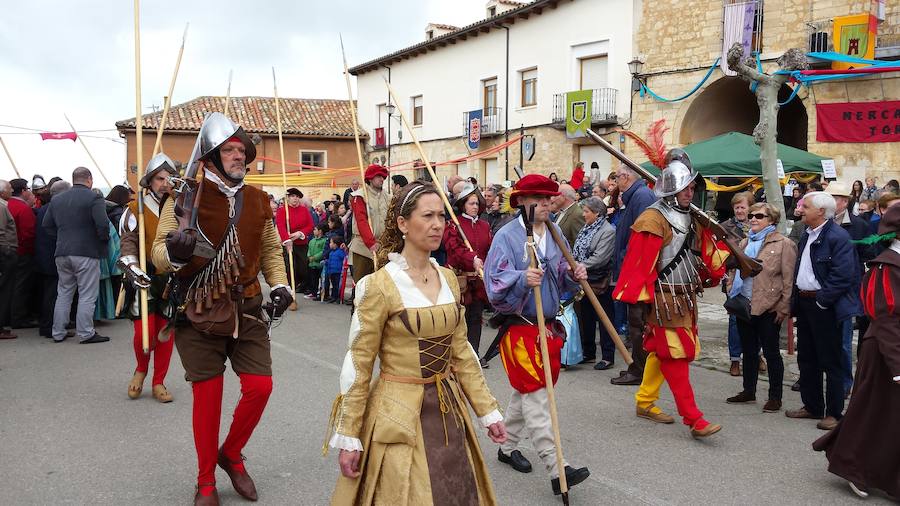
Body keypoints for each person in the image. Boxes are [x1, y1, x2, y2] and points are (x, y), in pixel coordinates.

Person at [327, 181, 506, 505]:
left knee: (455, 490)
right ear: (402, 223)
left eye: (441, 215)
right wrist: (350, 434)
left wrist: (487, 410)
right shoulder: (379, 286)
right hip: (398, 413)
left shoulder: (449, 278)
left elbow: (462, 352)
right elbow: (359, 363)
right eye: (427, 216)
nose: (437, 224)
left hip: (447, 411)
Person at [151, 113, 292, 505]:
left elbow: (269, 249)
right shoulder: (183, 197)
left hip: (246, 309)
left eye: (241, 150)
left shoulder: (260, 199)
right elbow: (159, 253)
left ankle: (230, 454)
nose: (237, 156)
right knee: (208, 400)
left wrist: (279, 284)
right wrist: (176, 256)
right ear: (210, 159)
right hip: (198, 310)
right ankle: (205, 481)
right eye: (228, 150)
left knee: (260, 388)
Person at [485, 174, 591, 495]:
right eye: (539, 199)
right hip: (518, 328)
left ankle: (506, 447)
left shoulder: (556, 231)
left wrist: (575, 274)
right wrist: (521, 277)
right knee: (536, 394)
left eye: (549, 198)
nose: (547, 203)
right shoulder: (506, 236)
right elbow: (493, 283)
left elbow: (563, 279)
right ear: (521, 201)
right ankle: (557, 466)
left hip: (547, 326)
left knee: (528, 392)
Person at [613, 151, 730, 438]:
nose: (691, 191)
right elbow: (638, 266)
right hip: (662, 300)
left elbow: (709, 255)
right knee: (675, 356)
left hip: (685, 297)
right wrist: (638, 308)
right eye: (686, 187)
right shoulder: (653, 219)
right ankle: (694, 418)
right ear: (673, 190)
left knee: (662, 352)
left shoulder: (693, 218)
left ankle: (644, 401)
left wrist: (728, 262)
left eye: (692, 186)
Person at [813, 204, 900, 500]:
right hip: (884, 352)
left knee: (884, 417)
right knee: (873, 413)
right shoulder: (886, 266)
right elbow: (886, 317)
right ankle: (853, 467)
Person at [786, 192, 861, 431]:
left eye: (805, 206)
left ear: (821, 211)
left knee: (831, 360)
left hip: (824, 306)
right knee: (807, 357)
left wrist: (822, 301)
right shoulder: (806, 234)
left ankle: (834, 413)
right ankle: (812, 406)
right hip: (806, 304)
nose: (800, 209)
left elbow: (844, 275)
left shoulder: (838, 237)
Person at [724, 202, 797, 412]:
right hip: (744, 304)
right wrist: (731, 288)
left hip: (768, 306)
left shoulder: (784, 244)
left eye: (759, 216)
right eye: (752, 215)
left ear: (771, 221)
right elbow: (734, 269)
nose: (753, 219)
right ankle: (749, 390)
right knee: (749, 350)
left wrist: (783, 307)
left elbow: (788, 279)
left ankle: (775, 396)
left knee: (772, 352)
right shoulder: (746, 241)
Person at [118, 153, 178, 403]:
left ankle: (158, 381)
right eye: (159, 178)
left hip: (172, 277)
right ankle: (141, 369)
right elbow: (128, 241)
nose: (165, 183)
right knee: (144, 332)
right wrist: (133, 267)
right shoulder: (136, 208)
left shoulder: (180, 206)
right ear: (150, 181)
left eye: (169, 178)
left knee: (165, 331)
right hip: (145, 276)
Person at [41, 168, 110, 344]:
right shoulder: (94, 197)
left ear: (73, 180)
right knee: (87, 293)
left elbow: (46, 225)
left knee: (64, 292)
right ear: (90, 179)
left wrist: (62, 238)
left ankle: (58, 332)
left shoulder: (57, 200)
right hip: (86, 251)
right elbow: (102, 225)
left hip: (62, 252)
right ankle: (86, 332)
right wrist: (101, 241)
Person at [610, 165, 658, 386]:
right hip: (632, 270)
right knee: (634, 323)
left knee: (638, 324)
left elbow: (642, 239)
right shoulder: (636, 196)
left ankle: (640, 370)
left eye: (617, 177)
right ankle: (636, 366)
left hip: (638, 273)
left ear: (626, 177)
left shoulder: (641, 196)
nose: (616, 181)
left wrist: (632, 270)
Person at [828, 181, 875, 395]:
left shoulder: (859, 225)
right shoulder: (819, 223)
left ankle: (845, 384)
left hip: (847, 290)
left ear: (844, 202)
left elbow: (868, 255)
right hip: (822, 289)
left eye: (833, 198)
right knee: (818, 339)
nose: (828, 203)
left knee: (844, 342)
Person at [444, 182, 491, 365]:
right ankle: (457, 355)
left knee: (475, 318)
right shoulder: (453, 225)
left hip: (478, 281)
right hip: (460, 280)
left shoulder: (485, 226)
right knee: (459, 319)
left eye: (477, 204)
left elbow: (490, 249)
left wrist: (487, 263)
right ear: (463, 204)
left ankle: (474, 354)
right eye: (471, 203)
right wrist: (471, 258)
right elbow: (453, 249)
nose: (475, 207)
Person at [720, 191, 760, 377]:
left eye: (743, 207)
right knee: (736, 318)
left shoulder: (759, 226)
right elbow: (720, 255)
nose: (739, 211)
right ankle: (735, 359)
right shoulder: (725, 227)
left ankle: (755, 355)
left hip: (757, 280)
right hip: (733, 278)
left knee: (756, 318)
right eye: (736, 207)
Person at [573, 197, 616, 369]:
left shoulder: (608, 231)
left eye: (586, 211)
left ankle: (608, 356)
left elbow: (601, 257)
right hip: (584, 279)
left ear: (597, 213)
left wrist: (579, 265)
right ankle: (588, 352)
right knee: (586, 317)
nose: (583, 215)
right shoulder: (586, 228)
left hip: (600, 280)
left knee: (605, 318)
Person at [34, 181, 70, 339]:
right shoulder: (57, 209)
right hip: (52, 256)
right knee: (53, 294)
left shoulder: (43, 209)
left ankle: (47, 324)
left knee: (49, 293)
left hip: (43, 255)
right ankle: (49, 326)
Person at [349, 164, 390, 284]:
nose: (381, 179)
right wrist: (370, 243)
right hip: (363, 247)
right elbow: (362, 221)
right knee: (362, 285)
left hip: (382, 247)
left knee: (380, 286)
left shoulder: (388, 197)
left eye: (383, 176)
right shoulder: (360, 196)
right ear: (370, 178)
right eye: (378, 176)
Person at [7, 178, 37, 328]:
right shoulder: (23, 209)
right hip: (23, 251)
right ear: (24, 191)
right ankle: (19, 317)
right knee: (22, 286)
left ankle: (9, 316)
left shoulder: (7, 205)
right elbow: (29, 234)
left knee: (10, 285)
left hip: (9, 251)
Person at [276, 188, 314, 294]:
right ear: (288, 198)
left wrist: (300, 233)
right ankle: (290, 291)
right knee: (289, 268)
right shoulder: (283, 210)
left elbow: (310, 225)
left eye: (297, 197)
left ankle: (299, 284)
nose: (295, 199)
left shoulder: (304, 210)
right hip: (288, 244)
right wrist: (287, 239)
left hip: (301, 243)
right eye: (292, 196)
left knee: (302, 269)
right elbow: (280, 225)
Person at [0, 180, 17, 339]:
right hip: (6, 253)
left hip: (6, 251)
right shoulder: (2, 207)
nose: (11, 190)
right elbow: (1, 232)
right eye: (9, 188)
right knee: (5, 290)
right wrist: (8, 250)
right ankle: (2, 326)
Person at [551, 183, 585, 249]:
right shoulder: (561, 212)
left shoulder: (577, 214)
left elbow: (578, 243)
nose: (553, 199)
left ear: (564, 197)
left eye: (556, 195)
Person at [304, 223, 327, 300]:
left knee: (320, 279)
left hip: (319, 264)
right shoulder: (312, 241)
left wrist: (315, 257)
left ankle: (319, 293)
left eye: (315, 230)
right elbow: (309, 250)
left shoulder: (324, 241)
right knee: (313, 279)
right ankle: (313, 292)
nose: (313, 231)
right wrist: (309, 256)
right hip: (311, 263)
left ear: (320, 231)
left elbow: (322, 251)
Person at [322, 236, 346, 303]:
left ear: (335, 244)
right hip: (331, 271)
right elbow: (330, 261)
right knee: (333, 285)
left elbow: (344, 258)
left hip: (337, 272)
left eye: (331, 243)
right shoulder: (331, 252)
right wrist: (326, 262)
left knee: (337, 285)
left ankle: (337, 297)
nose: (329, 244)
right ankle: (333, 296)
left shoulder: (340, 252)